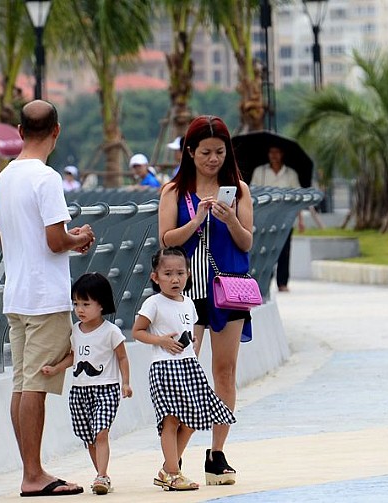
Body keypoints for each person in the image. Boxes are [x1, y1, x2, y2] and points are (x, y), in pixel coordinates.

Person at [0, 99, 95, 497]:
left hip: (16, 294)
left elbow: (6, 239)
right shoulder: (47, 178)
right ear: (57, 131)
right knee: (35, 385)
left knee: (22, 385)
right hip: (44, 297)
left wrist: (66, 240)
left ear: (20, 131)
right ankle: (34, 475)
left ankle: (30, 471)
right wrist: (79, 238)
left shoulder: (5, 177)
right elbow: (55, 240)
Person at [157, 115, 253, 486]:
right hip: (186, 295)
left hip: (229, 289)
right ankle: (173, 459)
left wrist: (230, 221)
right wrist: (196, 221)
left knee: (225, 371)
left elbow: (246, 242)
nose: (213, 159)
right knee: (185, 373)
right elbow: (167, 240)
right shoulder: (174, 191)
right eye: (206, 152)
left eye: (219, 152)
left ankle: (217, 454)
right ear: (190, 152)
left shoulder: (238, 190)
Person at [132, 247, 236, 491]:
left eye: (180, 273)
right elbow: (137, 331)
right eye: (167, 274)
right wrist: (161, 341)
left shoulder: (189, 303)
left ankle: (167, 470)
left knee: (191, 421)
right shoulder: (153, 303)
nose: (175, 279)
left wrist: (193, 341)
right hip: (164, 367)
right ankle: (173, 472)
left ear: (189, 275)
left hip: (188, 366)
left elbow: (187, 329)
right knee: (170, 420)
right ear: (155, 277)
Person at [41, 273, 132, 496]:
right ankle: (100, 475)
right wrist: (56, 368)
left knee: (101, 433)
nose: (79, 309)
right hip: (79, 390)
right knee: (89, 437)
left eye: (86, 304)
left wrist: (125, 383)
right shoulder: (75, 331)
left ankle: (102, 475)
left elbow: (122, 357)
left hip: (106, 389)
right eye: (76, 304)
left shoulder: (111, 331)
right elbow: (75, 356)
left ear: (101, 304)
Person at [252, 145, 302, 292]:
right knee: (264, 249)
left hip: (285, 218)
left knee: (284, 250)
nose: (274, 155)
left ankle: (282, 282)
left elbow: (297, 197)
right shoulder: (260, 172)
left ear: (282, 154)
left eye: (277, 152)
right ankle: (264, 281)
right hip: (264, 218)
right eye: (271, 152)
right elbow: (252, 193)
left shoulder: (290, 174)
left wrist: (300, 219)